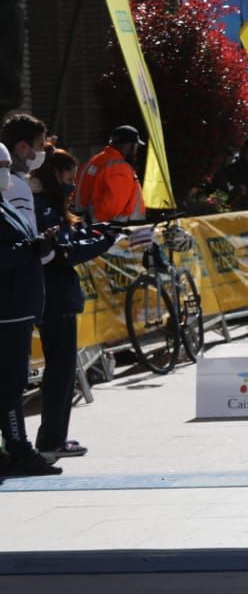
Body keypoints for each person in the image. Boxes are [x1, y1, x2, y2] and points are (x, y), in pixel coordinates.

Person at [33, 149, 117, 462]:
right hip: (55, 298)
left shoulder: (45, 206)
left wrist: (96, 234)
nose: (72, 185)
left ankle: (49, 438)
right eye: (69, 178)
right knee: (60, 372)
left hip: (47, 296)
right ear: (55, 175)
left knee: (59, 371)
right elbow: (65, 252)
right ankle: (52, 439)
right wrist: (105, 242)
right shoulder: (45, 208)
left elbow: (67, 241)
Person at [0, 142, 57, 476]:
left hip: (17, 308)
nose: (8, 174)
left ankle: (15, 448)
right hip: (7, 310)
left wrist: (38, 244)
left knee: (11, 382)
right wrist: (32, 247)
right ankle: (19, 448)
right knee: (10, 384)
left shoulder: (5, 205)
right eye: (3, 167)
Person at [76, 124, 144, 224]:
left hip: (85, 222)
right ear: (131, 146)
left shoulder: (95, 160)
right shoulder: (120, 168)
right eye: (137, 146)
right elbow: (112, 207)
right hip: (111, 228)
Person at [0, 112, 46, 230]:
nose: (42, 152)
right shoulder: (15, 185)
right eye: (40, 146)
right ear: (23, 147)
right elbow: (27, 235)